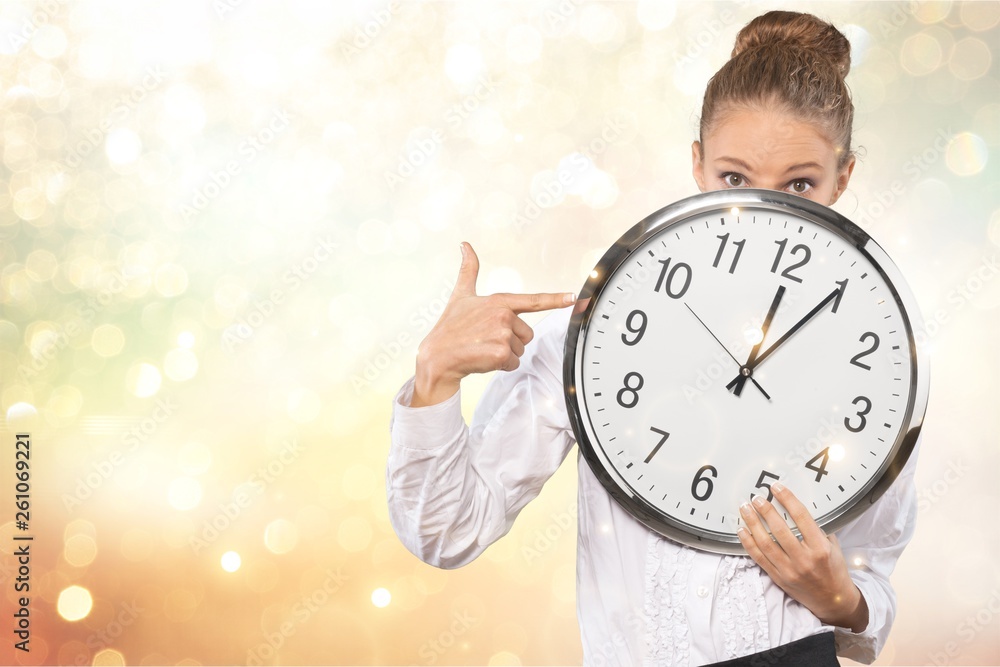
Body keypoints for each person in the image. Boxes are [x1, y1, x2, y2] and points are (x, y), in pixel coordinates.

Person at [386, 10, 920, 666]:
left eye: (800, 184)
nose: (765, 213)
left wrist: (840, 597)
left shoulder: (880, 356)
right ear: (697, 165)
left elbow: (870, 593)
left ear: (843, 177)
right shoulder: (594, 333)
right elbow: (449, 530)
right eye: (734, 177)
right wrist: (435, 376)